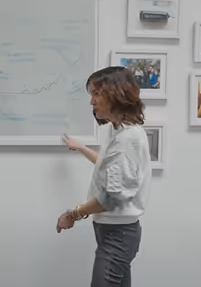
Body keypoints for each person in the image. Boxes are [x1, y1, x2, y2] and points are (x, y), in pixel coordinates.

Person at [60, 66, 152, 287]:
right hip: (117, 233)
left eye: (96, 94)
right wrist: (82, 148)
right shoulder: (124, 132)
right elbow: (111, 167)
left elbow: (110, 198)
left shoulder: (126, 139)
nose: (91, 102)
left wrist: (73, 214)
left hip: (117, 236)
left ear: (116, 93)